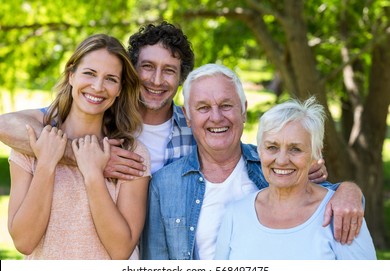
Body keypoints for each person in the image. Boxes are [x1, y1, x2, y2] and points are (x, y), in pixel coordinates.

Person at [0, 22, 360, 243]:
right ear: (130, 71)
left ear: (181, 80)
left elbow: (243, 155)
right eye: (147, 68)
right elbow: (7, 125)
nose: (157, 81)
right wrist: (86, 158)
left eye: (169, 71)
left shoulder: (195, 123)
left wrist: (346, 188)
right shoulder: (100, 114)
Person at [140, 63, 365, 260]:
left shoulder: (277, 164)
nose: (216, 117)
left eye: (226, 105)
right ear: (187, 116)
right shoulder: (165, 185)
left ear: (244, 110)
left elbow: (324, 201)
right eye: (203, 108)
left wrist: (349, 189)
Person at [7, 34, 151, 260]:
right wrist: (46, 163)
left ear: (120, 89)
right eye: (89, 73)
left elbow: (121, 250)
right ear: (71, 75)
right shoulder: (31, 144)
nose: (98, 86)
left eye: (111, 79)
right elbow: (24, 242)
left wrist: (93, 173)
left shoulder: (130, 154)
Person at [214, 97, 376, 259]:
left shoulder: (342, 215)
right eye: (272, 147)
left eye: (295, 149)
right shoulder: (235, 214)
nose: (282, 160)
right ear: (260, 151)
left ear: (316, 153)